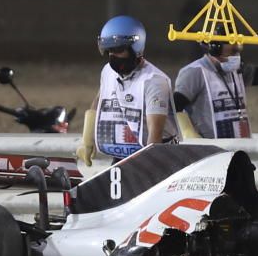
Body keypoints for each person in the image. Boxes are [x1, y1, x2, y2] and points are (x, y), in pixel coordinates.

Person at [76, 16, 180, 164]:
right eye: (109, 50)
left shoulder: (154, 81)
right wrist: (87, 140)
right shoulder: (108, 71)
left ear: (136, 48)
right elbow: (99, 101)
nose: (112, 56)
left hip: (156, 157)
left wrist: (146, 169)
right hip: (124, 155)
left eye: (118, 49)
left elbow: (154, 137)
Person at [174, 41, 258, 139]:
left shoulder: (236, 71)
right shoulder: (195, 72)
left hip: (238, 150)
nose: (237, 56)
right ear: (215, 48)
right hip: (211, 154)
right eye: (233, 51)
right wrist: (190, 135)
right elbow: (175, 106)